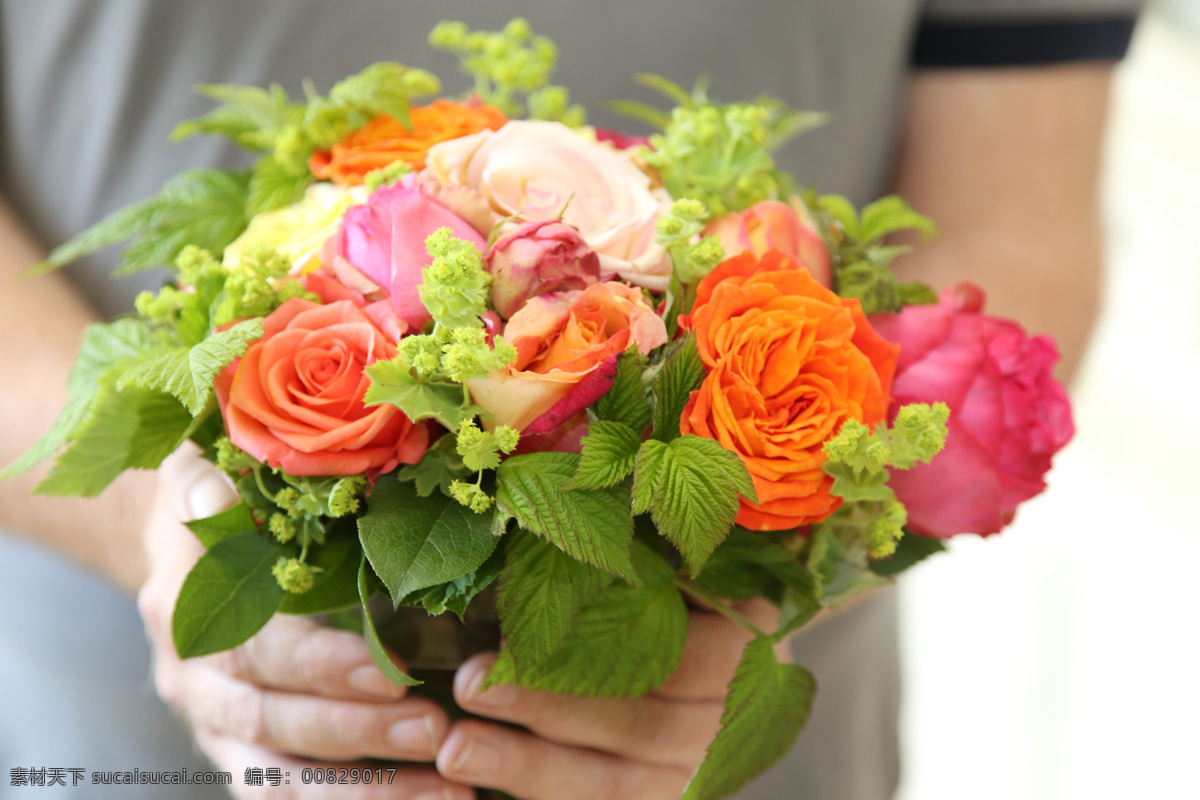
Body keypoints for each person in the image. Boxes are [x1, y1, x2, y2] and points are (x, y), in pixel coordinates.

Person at [0, 1, 1140, 798]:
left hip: (735, 735)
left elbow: (1016, 220)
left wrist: (757, 583)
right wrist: (156, 520)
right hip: (114, 731)